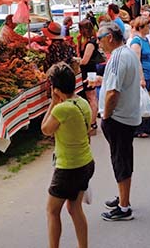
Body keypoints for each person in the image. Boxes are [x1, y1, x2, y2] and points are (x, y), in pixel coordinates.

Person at [41, 62, 95, 248]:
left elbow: (45, 129)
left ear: (56, 89)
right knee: (74, 207)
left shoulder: (62, 109)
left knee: (52, 211)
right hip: (86, 162)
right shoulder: (82, 102)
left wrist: (52, 104)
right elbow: (88, 130)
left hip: (68, 167)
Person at [97, 22, 141, 221]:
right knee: (123, 158)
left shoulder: (117, 58)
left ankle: (124, 207)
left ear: (110, 38)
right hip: (127, 116)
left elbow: (113, 92)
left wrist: (106, 116)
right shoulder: (127, 53)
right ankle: (124, 198)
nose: (98, 43)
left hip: (118, 118)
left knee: (120, 160)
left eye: (100, 39)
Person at [129, 16, 150, 137]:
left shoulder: (145, 40)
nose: (149, 27)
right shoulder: (136, 41)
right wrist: (141, 78)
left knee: (149, 99)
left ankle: (148, 126)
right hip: (143, 74)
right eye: (147, 26)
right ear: (141, 28)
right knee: (142, 102)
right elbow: (136, 60)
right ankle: (139, 129)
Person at [77, 19, 104, 131]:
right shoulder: (86, 41)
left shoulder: (91, 43)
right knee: (89, 96)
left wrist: (75, 60)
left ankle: (93, 122)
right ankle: (91, 120)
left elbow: (84, 61)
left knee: (91, 96)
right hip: (86, 71)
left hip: (90, 72)